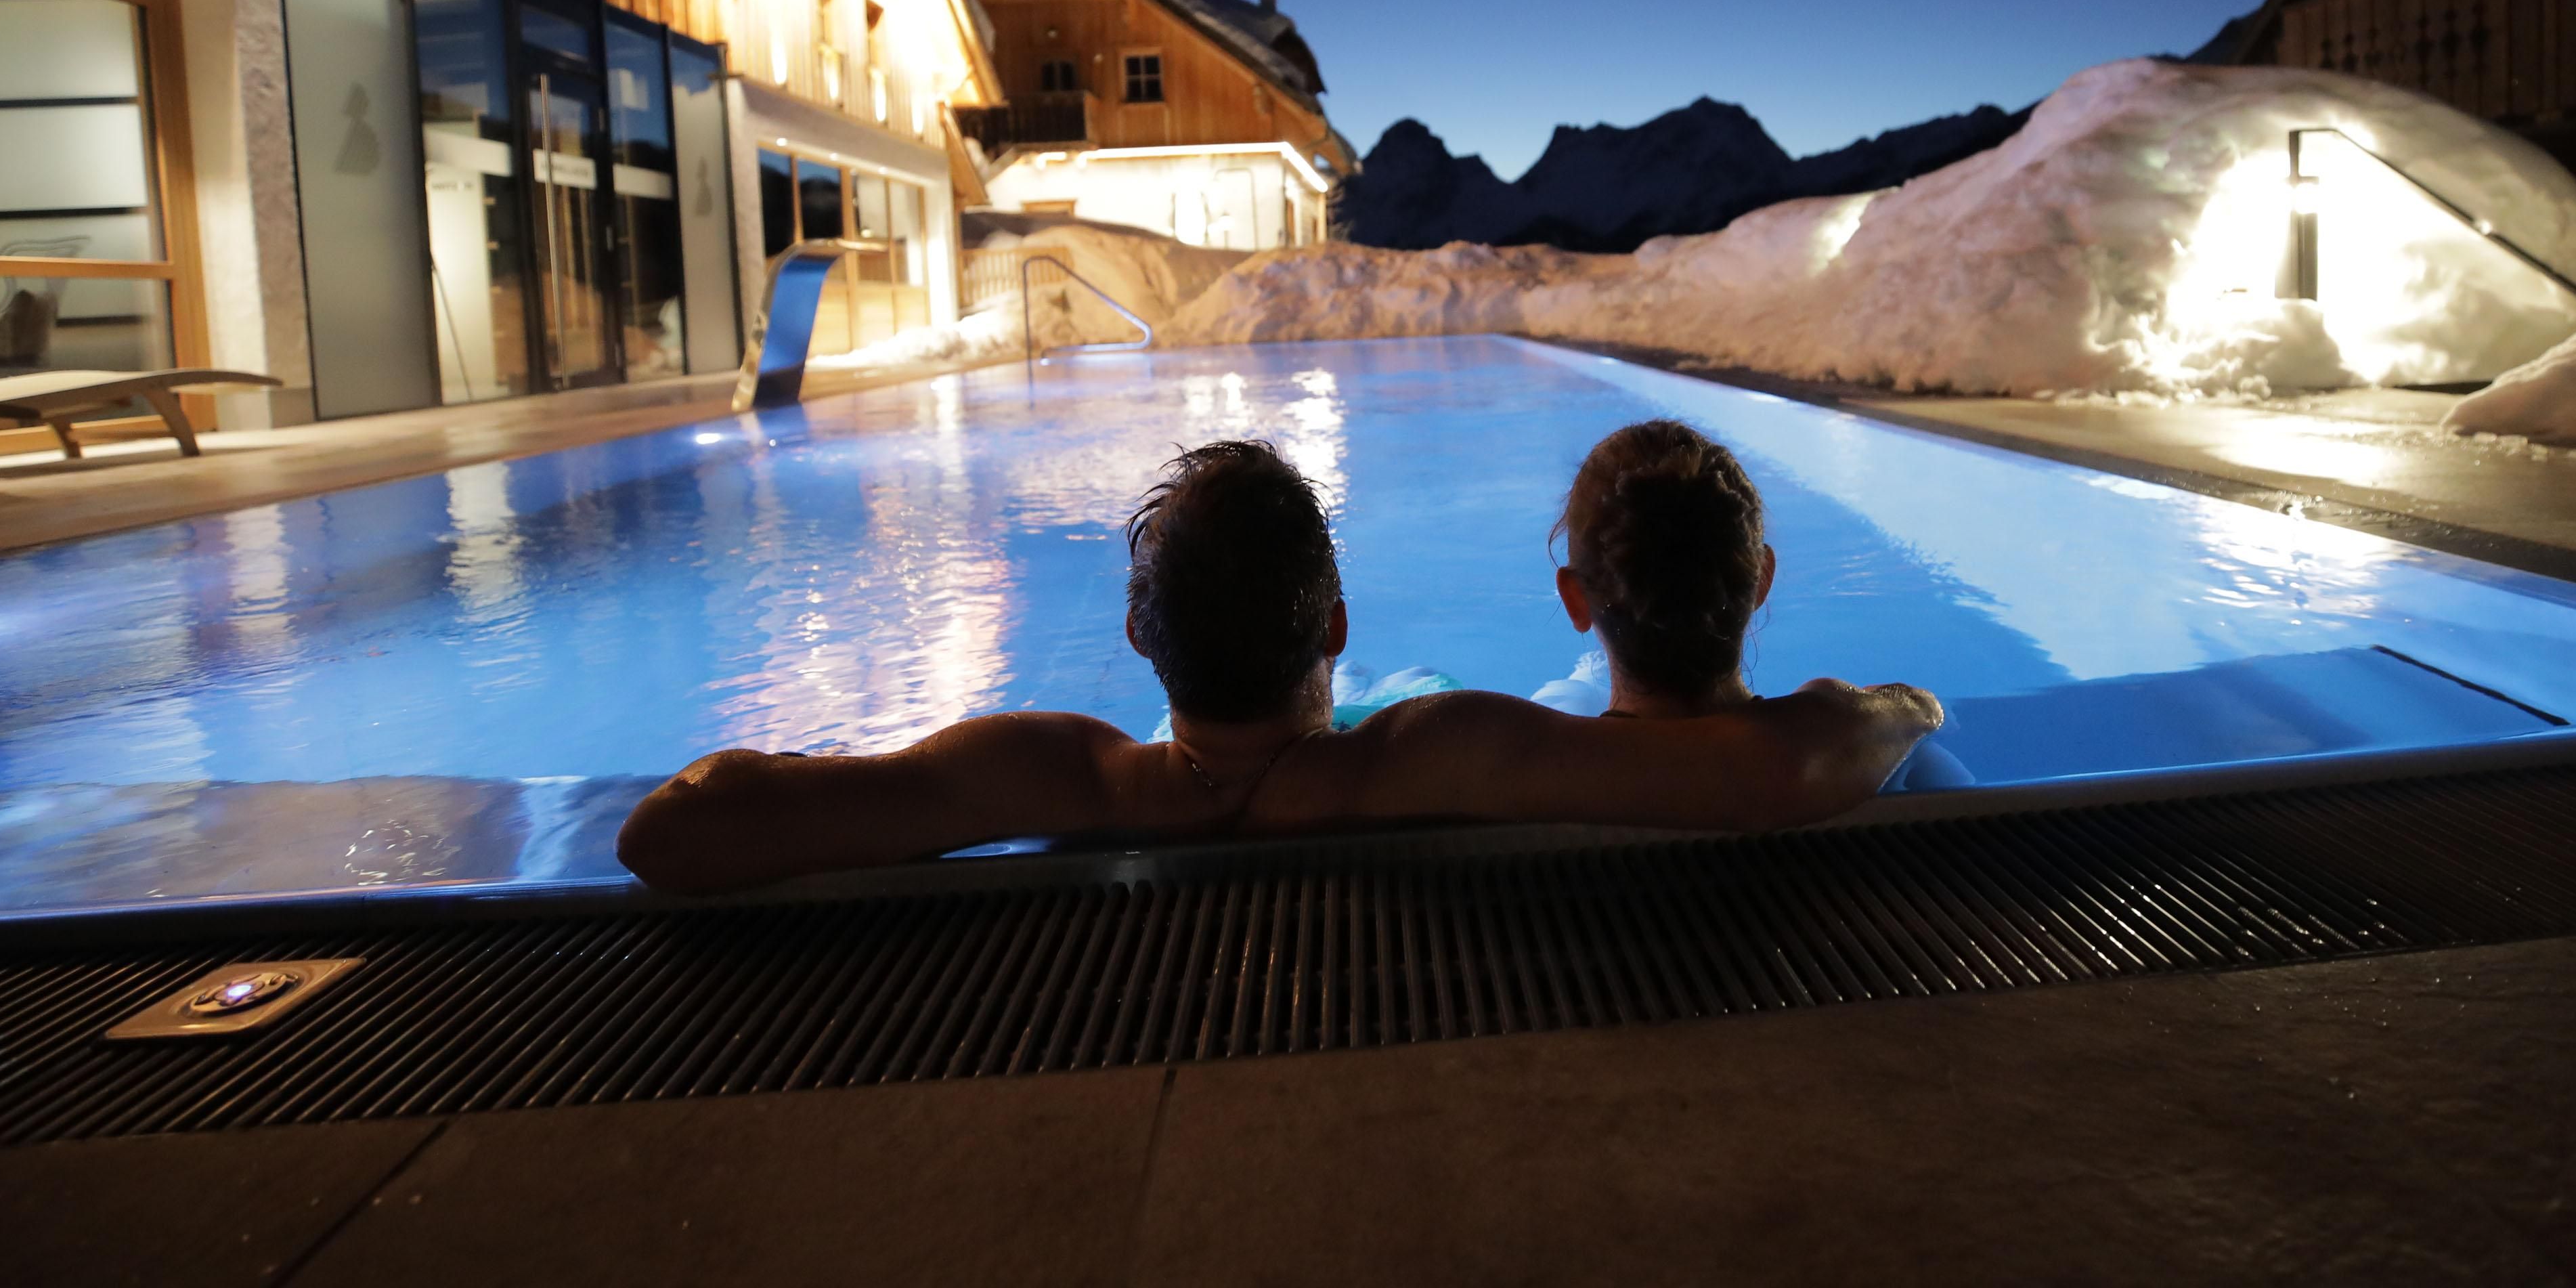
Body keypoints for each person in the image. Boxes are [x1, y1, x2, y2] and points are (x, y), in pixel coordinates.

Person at [616, 433, 1940, 895]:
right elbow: (1768, 769)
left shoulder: (1048, 773)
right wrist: (1896, 706)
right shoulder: (1430, 756)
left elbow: (666, 835)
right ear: (1337, 630)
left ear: (1139, 637)